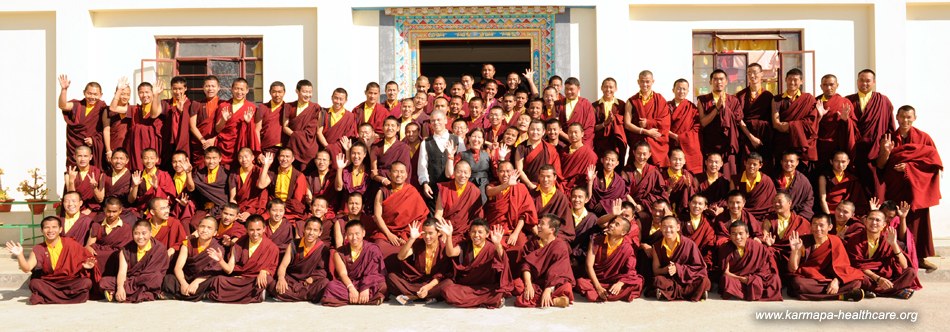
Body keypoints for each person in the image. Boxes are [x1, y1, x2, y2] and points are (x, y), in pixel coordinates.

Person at [877, 105, 942, 271]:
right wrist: (885, 152)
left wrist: (909, 168)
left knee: (919, 222)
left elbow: (933, 162)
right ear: (896, 117)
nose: (905, 120)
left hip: (917, 188)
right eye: (902, 117)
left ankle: (920, 257)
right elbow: (880, 165)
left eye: (909, 117)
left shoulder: (923, 138)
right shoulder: (888, 137)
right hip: (895, 187)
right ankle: (898, 256)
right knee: (895, 220)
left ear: (914, 118)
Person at [6, 216, 96, 304]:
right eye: (46, 227)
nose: (50, 231)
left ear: (60, 229)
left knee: (86, 282)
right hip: (50, 283)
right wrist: (20, 255)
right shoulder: (39, 248)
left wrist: (85, 266)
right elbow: (26, 268)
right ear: (42, 230)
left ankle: (47, 298)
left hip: (69, 282)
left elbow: (83, 262)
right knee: (34, 283)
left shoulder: (70, 243)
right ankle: (69, 298)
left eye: (54, 227)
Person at [788, 214, 866, 301]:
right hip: (810, 278)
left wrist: (837, 281)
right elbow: (792, 269)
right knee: (798, 284)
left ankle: (820, 294)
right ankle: (841, 295)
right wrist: (794, 251)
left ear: (830, 227)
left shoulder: (835, 240)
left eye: (821, 225)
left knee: (856, 281)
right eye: (815, 224)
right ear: (810, 226)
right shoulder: (802, 241)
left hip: (831, 276)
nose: (818, 229)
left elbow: (843, 266)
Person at [846, 210, 920, 299]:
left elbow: (904, 265)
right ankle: (894, 291)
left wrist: (893, 244)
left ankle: (874, 292)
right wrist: (878, 279)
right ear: (865, 221)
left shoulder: (887, 239)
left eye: (877, 220)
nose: (874, 222)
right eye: (871, 219)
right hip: (869, 277)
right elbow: (857, 265)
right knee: (857, 278)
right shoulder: (855, 240)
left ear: (884, 224)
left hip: (886, 276)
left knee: (910, 272)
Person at [207, 215, 280, 304]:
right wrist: (220, 260)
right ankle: (256, 294)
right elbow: (229, 270)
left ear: (264, 229)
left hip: (256, 280)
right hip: (241, 279)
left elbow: (272, 268)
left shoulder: (271, 247)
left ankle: (249, 293)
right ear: (246, 229)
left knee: (267, 280)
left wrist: (264, 271)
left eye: (258, 229)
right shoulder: (239, 244)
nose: (255, 233)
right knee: (218, 280)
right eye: (251, 230)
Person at [846, 69, 895, 198]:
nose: (864, 83)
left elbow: (890, 126)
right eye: (861, 80)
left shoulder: (883, 101)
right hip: (854, 151)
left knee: (876, 189)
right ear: (857, 82)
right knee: (856, 190)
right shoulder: (848, 100)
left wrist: (887, 148)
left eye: (868, 81)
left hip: (876, 152)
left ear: (874, 82)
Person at [370, 162, 430, 264]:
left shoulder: (412, 192)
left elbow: (421, 217)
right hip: (386, 231)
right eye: (395, 171)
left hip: (406, 234)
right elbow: (377, 216)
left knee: (411, 249)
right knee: (378, 247)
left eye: (402, 172)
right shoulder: (383, 192)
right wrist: (389, 235)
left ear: (406, 175)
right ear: (389, 174)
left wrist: (406, 236)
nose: (399, 175)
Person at [513, 214, 575, 308]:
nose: (538, 225)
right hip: (535, 281)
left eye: (542, 224)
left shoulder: (560, 246)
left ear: (552, 230)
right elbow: (526, 266)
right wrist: (528, 284)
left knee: (566, 286)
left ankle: (546, 297)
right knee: (516, 285)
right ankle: (554, 300)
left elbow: (558, 271)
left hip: (553, 284)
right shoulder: (533, 242)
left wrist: (548, 289)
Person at [100, 220, 169, 303]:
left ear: (151, 233)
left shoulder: (159, 249)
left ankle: (118, 293)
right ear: (132, 234)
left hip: (147, 279)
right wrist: (120, 287)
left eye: (144, 233)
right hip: (132, 280)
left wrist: (126, 285)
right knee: (103, 282)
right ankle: (139, 294)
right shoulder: (126, 250)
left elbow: (157, 273)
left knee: (155, 278)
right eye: (136, 233)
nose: (140, 237)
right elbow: (122, 272)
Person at [576, 216, 643, 302]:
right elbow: (588, 265)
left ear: (623, 232)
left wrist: (620, 283)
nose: (611, 225)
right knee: (580, 282)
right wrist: (598, 287)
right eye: (612, 222)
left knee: (638, 281)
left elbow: (630, 271)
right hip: (595, 278)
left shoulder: (627, 248)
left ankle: (600, 294)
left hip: (614, 279)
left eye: (616, 224)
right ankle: (605, 294)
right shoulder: (596, 240)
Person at [321, 221, 388, 306]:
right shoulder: (339, 252)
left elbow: (375, 273)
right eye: (350, 234)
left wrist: (366, 287)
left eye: (357, 234)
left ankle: (356, 298)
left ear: (363, 233)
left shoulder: (372, 249)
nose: (354, 237)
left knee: (382, 285)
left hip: (368, 282)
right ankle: (369, 299)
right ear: (346, 236)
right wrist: (351, 288)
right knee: (331, 286)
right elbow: (342, 274)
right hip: (350, 283)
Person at [388, 219, 451, 304]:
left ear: (438, 233)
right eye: (424, 233)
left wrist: (427, 287)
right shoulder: (419, 244)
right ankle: (429, 296)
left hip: (433, 283)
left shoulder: (443, 248)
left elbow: (440, 276)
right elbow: (400, 257)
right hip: (417, 281)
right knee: (391, 277)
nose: (427, 237)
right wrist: (412, 238)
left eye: (430, 233)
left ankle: (413, 296)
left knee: (448, 283)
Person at [269, 217, 332, 302]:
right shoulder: (293, 244)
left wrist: (313, 278)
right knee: (269, 281)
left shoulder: (323, 248)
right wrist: (281, 278)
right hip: (291, 280)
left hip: (308, 282)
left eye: (315, 230)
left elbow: (323, 271)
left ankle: (290, 295)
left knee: (325, 282)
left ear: (320, 233)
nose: (311, 233)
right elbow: (283, 266)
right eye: (308, 229)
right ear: (304, 229)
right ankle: (306, 296)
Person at [718, 220, 783, 301]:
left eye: (741, 234)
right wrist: (742, 279)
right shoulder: (725, 248)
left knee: (774, 279)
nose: (737, 237)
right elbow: (725, 272)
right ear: (730, 236)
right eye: (734, 234)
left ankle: (745, 291)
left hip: (755, 278)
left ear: (747, 234)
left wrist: (750, 279)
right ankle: (754, 291)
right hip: (737, 281)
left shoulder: (757, 247)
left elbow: (765, 270)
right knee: (726, 280)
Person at [485, 161, 538, 262]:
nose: (505, 174)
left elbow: (525, 214)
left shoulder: (520, 188)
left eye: (508, 171)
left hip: (513, 229)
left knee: (520, 247)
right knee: (491, 249)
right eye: (502, 171)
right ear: (497, 172)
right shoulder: (492, 186)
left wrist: (515, 233)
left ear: (513, 172)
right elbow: (489, 192)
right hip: (495, 229)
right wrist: (507, 185)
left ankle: (515, 276)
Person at [162, 216, 224, 301]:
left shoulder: (217, 248)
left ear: (215, 233)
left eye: (209, 228)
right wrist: (183, 283)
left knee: (217, 281)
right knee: (168, 279)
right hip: (187, 278)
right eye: (202, 226)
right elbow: (178, 267)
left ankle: (179, 295)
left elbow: (213, 270)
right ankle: (200, 295)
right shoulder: (188, 243)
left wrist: (196, 282)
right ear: (198, 228)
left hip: (203, 280)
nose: (204, 230)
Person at [652, 216, 711, 301]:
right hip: (670, 280)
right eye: (664, 227)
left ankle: (667, 293)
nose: (668, 230)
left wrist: (678, 268)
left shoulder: (689, 244)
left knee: (704, 280)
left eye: (671, 227)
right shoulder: (657, 246)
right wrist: (667, 269)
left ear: (678, 227)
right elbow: (656, 270)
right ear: (660, 227)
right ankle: (696, 293)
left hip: (688, 279)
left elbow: (700, 268)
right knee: (658, 280)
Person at [697, 70, 742, 178]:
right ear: (710, 82)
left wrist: (726, 108)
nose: (718, 82)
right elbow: (703, 123)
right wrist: (717, 108)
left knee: (729, 177)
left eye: (721, 79)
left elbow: (738, 121)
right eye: (715, 79)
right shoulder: (703, 100)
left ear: (726, 81)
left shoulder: (733, 100)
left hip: (728, 145)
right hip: (710, 144)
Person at [418, 110, 465, 211]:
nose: (436, 123)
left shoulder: (458, 140)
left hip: (454, 186)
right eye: (433, 121)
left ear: (445, 120)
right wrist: (425, 183)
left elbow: (463, 163)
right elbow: (422, 166)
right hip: (433, 188)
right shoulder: (425, 143)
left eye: (438, 120)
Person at [771, 69, 818, 167]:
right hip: (784, 142)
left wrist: (789, 125)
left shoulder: (808, 99)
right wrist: (793, 126)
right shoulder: (777, 99)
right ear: (785, 80)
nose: (792, 82)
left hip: (801, 142)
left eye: (795, 80)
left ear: (801, 81)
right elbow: (776, 124)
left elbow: (811, 122)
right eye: (789, 79)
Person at [761, 193, 812, 283]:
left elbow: (808, 241)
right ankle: (773, 280)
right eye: (774, 202)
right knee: (767, 250)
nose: (776, 204)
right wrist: (767, 242)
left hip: (792, 254)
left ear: (789, 203)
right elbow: (764, 235)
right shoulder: (769, 220)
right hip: (775, 254)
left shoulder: (800, 221)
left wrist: (798, 248)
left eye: (779, 201)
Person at [58, 75, 106, 168]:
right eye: (89, 93)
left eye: (95, 94)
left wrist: (94, 140)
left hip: (91, 149)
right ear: (84, 92)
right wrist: (64, 90)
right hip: (74, 148)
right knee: (73, 173)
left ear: (101, 95)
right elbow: (63, 106)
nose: (92, 97)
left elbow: (105, 129)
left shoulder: (102, 108)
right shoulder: (77, 105)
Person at [624, 70, 670, 167]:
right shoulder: (631, 101)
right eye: (642, 81)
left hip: (656, 144)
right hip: (639, 142)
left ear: (653, 81)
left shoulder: (660, 99)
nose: (645, 84)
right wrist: (645, 131)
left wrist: (648, 123)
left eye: (647, 81)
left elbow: (666, 122)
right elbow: (627, 124)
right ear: (638, 82)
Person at [736, 63, 775, 175]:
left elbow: (772, 119)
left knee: (764, 167)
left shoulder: (768, 96)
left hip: (764, 137)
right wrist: (751, 137)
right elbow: (739, 119)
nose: (752, 76)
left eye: (755, 72)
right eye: (749, 73)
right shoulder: (741, 95)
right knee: (746, 166)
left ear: (761, 74)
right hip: (746, 136)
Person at [213, 78, 260, 168]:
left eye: (242, 89)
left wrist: (248, 123)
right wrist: (223, 119)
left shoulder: (251, 108)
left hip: (242, 144)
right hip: (225, 145)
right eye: (236, 88)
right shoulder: (223, 106)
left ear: (247, 90)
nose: (239, 92)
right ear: (232, 89)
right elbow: (217, 129)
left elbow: (255, 131)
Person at [120, 79, 165, 171]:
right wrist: (119, 91)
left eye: (147, 92)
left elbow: (153, 115)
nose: (144, 95)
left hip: (152, 143)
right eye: (141, 92)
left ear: (152, 93)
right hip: (137, 144)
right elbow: (113, 108)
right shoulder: (135, 109)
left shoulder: (160, 105)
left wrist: (156, 96)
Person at [435, 159, 484, 243]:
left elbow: (477, 217)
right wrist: (443, 230)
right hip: (446, 228)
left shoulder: (475, 191)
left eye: (465, 172)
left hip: (464, 232)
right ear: (454, 173)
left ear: (470, 174)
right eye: (459, 172)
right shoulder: (445, 188)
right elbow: (438, 214)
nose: (462, 175)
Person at [86, 198, 136, 278]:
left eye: (114, 211)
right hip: (98, 257)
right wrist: (90, 249)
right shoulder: (97, 225)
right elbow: (88, 246)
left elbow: (126, 251)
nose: (111, 214)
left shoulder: (126, 228)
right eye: (109, 211)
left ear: (120, 210)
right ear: (104, 210)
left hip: (115, 259)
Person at [815, 74, 857, 165]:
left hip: (839, 144)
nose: (828, 87)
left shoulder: (845, 102)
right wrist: (819, 117)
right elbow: (809, 126)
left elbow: (854, 126)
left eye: (831, 84)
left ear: (837, 85)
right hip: (820, 145)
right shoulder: (815, 102)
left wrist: (846, 120)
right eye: (825, 85)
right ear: (821, 86)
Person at [282, 80, 323, 170]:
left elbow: (316, 129)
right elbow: (285, 126)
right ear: (297, 91)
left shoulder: (316, 108)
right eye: (304, 92)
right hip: (294, 146)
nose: (307, 95)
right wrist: (295, 136)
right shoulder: (289, 106)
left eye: (310, 92)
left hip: (310, 147)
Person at [263, 148, 309, 223]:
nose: (284, 159)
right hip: (274, 208)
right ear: (278, 158)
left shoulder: (299, 176)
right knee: (262, 219)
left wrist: (284, 209)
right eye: (282, 156)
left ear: (293, 159)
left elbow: (298, 201)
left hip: (290, 210)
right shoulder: (273, 173)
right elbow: (261, 185)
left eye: (287, 157)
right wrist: (266, 166)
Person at [624, 141, 668, 220]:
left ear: (650, 154)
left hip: (648, 207)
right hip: (629, 206)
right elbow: (623, 191)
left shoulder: (654, 171)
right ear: (633, 153)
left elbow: (660, 193)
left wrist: (643, 205)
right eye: (639, 153)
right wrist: (635, 205)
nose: (641, 157)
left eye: (644, 154)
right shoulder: (626, 171)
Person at [668, 79, 703, 174]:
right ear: (673, 90)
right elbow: (662, 124)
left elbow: (697, 128)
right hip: (670, 143)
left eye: (684, 89)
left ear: (688, 91)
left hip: (687, 144)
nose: (681, 91)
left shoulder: (692, 108)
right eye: (678, 88)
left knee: (688, 173)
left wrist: (680, 138)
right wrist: (672, 136)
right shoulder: (666, 106)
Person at [818, 151, 869, 215]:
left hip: (845, 212)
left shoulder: (851, 178)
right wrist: (828, 216)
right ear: (831, 162)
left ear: (848, 162)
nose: (840, 165)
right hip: (829, 211)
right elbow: (822, 199)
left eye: (843, 162)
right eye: (837, 161)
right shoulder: (824, 177)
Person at [592, 78, 627, 168]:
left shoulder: (622, 105)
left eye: (611, 87)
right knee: (600, 167)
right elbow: (592, 127)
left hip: (617, 143)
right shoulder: (594, 106)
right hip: (600, 143)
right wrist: (605, 124)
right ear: (601, 88)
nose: (608, 90)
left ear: (616, 89)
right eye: (606, 87)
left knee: (617, 167)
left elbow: (626, 125)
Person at [731, 153, 776, 221]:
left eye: (754, 164)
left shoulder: (766, 180)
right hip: (741, 213)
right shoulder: (736, 179)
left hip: (762, 215)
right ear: (745, 163)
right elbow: (732, 198)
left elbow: (772, 202)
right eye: (749, 163)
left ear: (760, 165)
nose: (751, 166)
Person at [188, 76, 221, 168]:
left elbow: (227, 127)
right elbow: (192, 126)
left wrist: (214, 140)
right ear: (203, 88)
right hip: (200, 144)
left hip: (217, 142)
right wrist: (203, 141)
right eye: (207, 86)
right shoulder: (196, 104)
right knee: (199, 169)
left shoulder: (223, 104)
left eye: (213, 86)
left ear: (218, 88)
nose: (210, 89)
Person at [128, 148, 176, 213]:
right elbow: (131, 200)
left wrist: (156, 187)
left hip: (160, 211)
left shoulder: (164, 175)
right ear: (141, 160)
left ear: (157, 159)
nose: (149, 161)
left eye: (152, 158)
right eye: (146, 158)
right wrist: (135, 186)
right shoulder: (138, 176)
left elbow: (171, 199)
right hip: (141, 212)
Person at [370, 116, 412, 189]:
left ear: (398, 128)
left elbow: (404, 171)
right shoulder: (376, 147)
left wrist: (381, 174)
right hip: (379, 184)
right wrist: (382, 179)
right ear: (382, 128)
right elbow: (373, 173)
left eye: (393, 126)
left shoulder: (403, 147)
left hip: (397, 184)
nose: (389, 128)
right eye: (387, 125)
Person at [680, 194, 718, 271]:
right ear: (689, 203)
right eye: (694, 203)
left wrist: (705, 260)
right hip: (683, 257)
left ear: (705, 207)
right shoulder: (680, 220)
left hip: (700, 258)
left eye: (700, 204)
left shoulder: (708, 223)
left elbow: (709, 243)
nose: (696, 206)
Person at [229, 148, 270, 218]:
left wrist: (249, 213)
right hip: (240, 210)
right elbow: (233, 199)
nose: (244, 160)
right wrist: (236, 212)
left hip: (256, 209)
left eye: (246, 156)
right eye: (240, 157)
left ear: (252, 157)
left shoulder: (260, 171)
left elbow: (262, 186)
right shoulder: (234, 174)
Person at [191, 147, 229, 220]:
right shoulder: (199, 173)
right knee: (194, 223)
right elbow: (192, 188)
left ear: (220, 159)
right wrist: (188, 172)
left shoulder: (226, 174)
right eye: (208, 158)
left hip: (222, 208)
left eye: (214, 158)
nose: (211, 161)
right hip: (205, 207)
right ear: (204, 159)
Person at [164, 79, 194, 170]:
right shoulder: (166, 103)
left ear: (185, 88)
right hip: (169, 142)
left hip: (186, 141)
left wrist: (182, 112)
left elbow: (193, 124)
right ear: (171, 89)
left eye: (180, 89)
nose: (177, 92)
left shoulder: (192, 104)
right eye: (175, 89)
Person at [555, 77, 595, 147]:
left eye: (571, 89)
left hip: (581, 143)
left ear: (578, 89)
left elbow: (589, 127)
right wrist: (567, 138)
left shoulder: (585, 104)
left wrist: (580, 143)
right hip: (562, 143)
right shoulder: (558, 104)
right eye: (566, 89)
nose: (568, 92)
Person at [774, 151, 815, 219]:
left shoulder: (803, 181)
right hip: (775, 214)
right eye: (785, 161)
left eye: (791, 161)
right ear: (781, 162)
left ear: (797, 162)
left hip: (795, 216)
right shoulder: (773, 178)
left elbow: (808, 201)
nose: (788, 164)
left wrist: (797, 218)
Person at [587, 150, 628, 215]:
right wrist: (590, 181)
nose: (609, 162)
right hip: (592, 212)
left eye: (612, 160)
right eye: (607, 159)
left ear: (617, 163)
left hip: (610, 214)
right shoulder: (595, 176)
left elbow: (621, 200)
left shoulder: (620, 181)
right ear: (602, 160)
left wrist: (604, 203)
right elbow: (588, 197)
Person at [559, 123, 597, 192]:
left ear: (582, 134)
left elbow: (587, 177)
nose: (573, 135)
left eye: (576, 132)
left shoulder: (589, 154)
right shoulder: (563, 151)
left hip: (579, 188)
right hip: (562, 186)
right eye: (570, 132)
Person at [64, 145, 103, 212]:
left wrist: (94, 188)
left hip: (92, 209)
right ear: (75, 157)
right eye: (79, 156)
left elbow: (100, 199)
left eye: (85, 156)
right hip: (74, 210)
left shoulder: (98, 172)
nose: (82, 159)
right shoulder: (70, 173)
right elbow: (71, 197)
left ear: (90, 157)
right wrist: (71, 181)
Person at [104, 83, 132, 172]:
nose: (125, 97)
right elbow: (106, 130)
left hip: (129, 145)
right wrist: (108, 150)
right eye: (122, 94)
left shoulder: (132, 109)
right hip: (114, 144)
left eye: (128, 94)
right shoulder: (108, 110)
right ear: (116, 93)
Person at [664, 148, 697, 215]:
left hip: (683, 212)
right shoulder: (663, 175)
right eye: (674, 159)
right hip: (666, 210)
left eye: (680, 159)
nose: (677, 162)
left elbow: (694, 196)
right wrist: (670, 188)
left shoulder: (688, 175)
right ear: (669, 160)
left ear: (684, 161)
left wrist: (688, 187)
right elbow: (658, 197)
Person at [256, 81, 286, 156]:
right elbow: (257, 129)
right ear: (270, 92)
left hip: (284, 149)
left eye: (280, 92)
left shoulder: (287, 108)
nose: (277, 95)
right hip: (267, 147)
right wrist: (258, 151)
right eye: (274, 92)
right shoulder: (263, 107)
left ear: (284, 92)